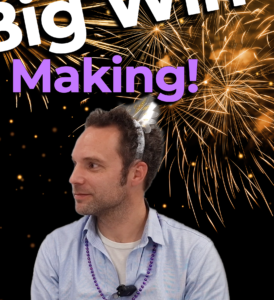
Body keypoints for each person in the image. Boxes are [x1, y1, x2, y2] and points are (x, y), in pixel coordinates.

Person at [31, 100, 228, 300]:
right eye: (76, 163)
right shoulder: (56, 249)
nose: (74, 178)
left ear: (136, 173)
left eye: (92, 165)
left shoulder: (194, 254)